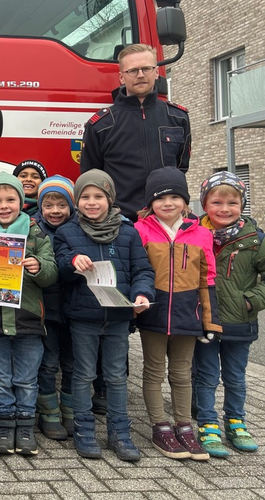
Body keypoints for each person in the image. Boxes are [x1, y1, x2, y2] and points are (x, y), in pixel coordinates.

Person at [53, 169, 155, 462]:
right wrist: (73, 262)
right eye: (85, 196)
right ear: (77, 201)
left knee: (116, 377)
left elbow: (143, 270)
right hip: (84, 317)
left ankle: (120, 433)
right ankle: (84, 431)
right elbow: (60, 268)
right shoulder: (67, 232)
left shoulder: (128, 232)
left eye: (98, 196)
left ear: (110, 199)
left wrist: (143, 294)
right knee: (83, 375)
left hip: (119, 318)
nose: (92, 202)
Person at [0, 173, 57, 455]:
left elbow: (51, 274)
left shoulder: (35, 232)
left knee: (27, 378)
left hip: (28, 321)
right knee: (1, 378)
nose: (4, 206)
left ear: (21, 201)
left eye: (10, 199)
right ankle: (4, 426)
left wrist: (39, 267)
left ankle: (25, 427)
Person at [134, 167, 221, 461]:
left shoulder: (201, 234)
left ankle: (184, 426)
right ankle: (160, 426)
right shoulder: (141, 230)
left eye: (174, 197)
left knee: (182, 374)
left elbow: (208, 279)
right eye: (160, 198)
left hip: (188, 314)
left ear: (185, 202)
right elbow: (137, 271)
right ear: (150, 203)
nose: (167, 203)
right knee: (154, 371)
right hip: (153, 314)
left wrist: (210, 321)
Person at [193, 171, 265, 457]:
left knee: (235, 377)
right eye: (217, 203)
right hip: (205, 320)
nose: (225, 209)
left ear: (242, 204)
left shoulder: (255, 239)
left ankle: (236, 421)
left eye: (232, 203)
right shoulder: (195, 234)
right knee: (206, 375)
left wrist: (252, 300)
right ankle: (207, 423)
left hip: (240, 322)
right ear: (205, 204)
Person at [80, 43, 191, 220]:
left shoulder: (178, 118)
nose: (140, 75)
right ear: (121, 77)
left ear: (156, 72)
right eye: (132, 71)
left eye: (146, 68)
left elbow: (180, 168)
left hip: (165, 222)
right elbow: (92, 177)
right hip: (119, 223)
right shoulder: (101, 124)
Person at [33, 176, 77, 440]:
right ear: (40, 207)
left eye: (62, 204)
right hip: (46, 309)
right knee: (48, 364)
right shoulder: (34, 230)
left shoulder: (80, 230)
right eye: (48, 205)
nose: (55, 210)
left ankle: (70, 411)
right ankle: (48, 413)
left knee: (73, 364)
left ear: (71, 206)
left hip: (74, 309)